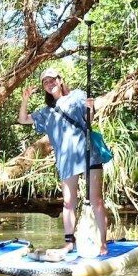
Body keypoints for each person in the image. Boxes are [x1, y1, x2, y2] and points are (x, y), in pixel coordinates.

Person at [18, 67, 108, 256]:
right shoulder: (46, 112)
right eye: (45, 82)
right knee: (68, 203)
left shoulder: (76, 96)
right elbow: (23, 119)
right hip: (66, 160)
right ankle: (69, 243)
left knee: (96, 200)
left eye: (52, 79)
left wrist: (90, 108)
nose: (49, 83)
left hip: (88, 153)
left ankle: (102, 243)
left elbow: (88, 119)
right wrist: (25, 98)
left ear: (60, 80)